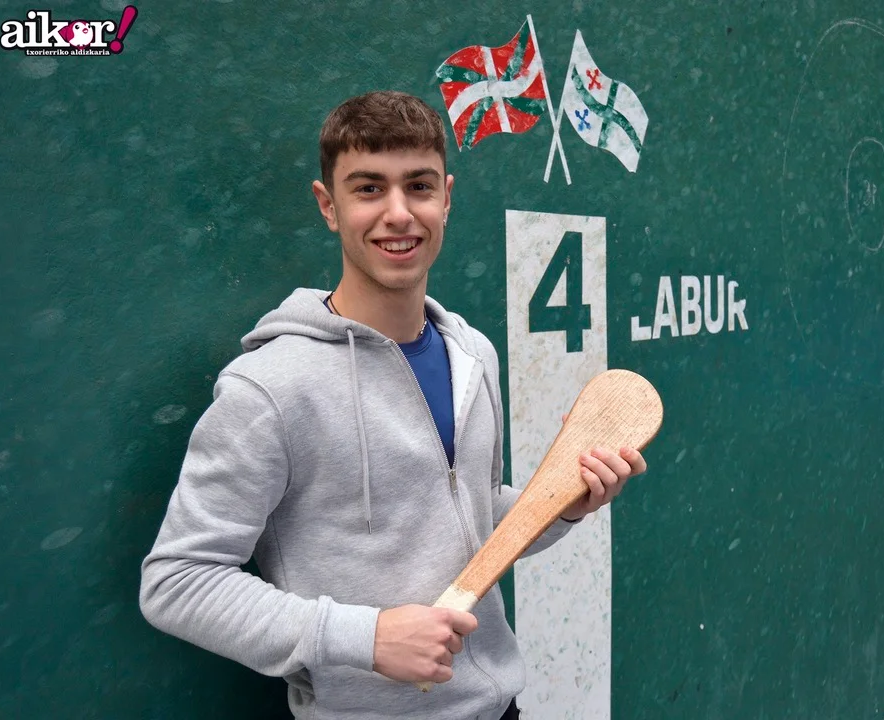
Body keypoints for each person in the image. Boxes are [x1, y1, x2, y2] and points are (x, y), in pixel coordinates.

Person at [139, 91, 647, 720]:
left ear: (447, 198)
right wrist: (365, 637)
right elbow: (177, 581)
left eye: (419, 186)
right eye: (369, 189)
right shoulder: (269, 388)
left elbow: (467, 519)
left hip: (498, 708)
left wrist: (562, 504)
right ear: (329, 205)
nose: (399, 214)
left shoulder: (473, 355)